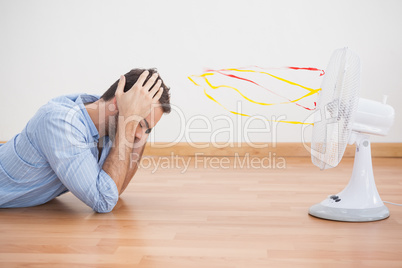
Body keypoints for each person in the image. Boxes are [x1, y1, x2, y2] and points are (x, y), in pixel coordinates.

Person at [0, 68, 171, 213]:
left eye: (148, 129)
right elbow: (104, 200)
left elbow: (115, 188)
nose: (140, 137)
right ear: (118, 104)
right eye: (140, 124)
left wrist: (136, 125)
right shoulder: (60, 122)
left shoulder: (112, 128)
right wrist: (129, 120)